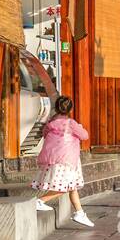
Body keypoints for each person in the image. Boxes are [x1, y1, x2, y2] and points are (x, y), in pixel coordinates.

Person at [32, 96, 94, 228]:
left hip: (53, 158)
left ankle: (79, 212)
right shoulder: (71, 124)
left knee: (72, 187)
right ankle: (40, 201)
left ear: (56, 108)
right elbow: (85, 136)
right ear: (70, 109)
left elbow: (45, 134)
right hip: (67, 160)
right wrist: (79, 127)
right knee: (65, 187)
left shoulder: (50, 123)